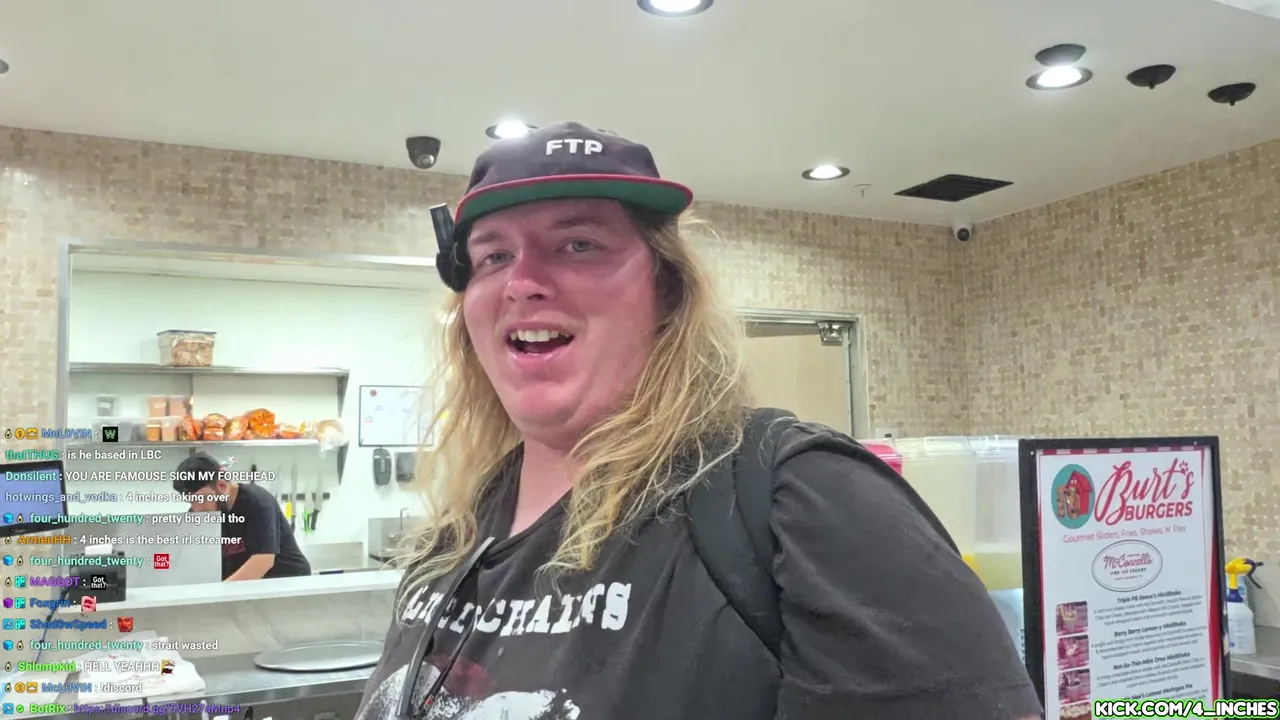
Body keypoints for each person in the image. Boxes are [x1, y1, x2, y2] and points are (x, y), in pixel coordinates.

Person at [354, 122, 1043, 719]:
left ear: (668, 291)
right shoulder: (456, 536)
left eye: (579, 245)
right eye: (493, 256)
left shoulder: (803, 498)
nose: (521, 281)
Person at [172, 452, 311, 581]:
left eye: (200, 499)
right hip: (248, 588)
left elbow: (263, 560)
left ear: (221, 486)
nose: (196, 509)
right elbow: (183, 553)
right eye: (191, 501)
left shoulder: (257, 502)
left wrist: (219, 592)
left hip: (288, 582)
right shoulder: (202, 510)